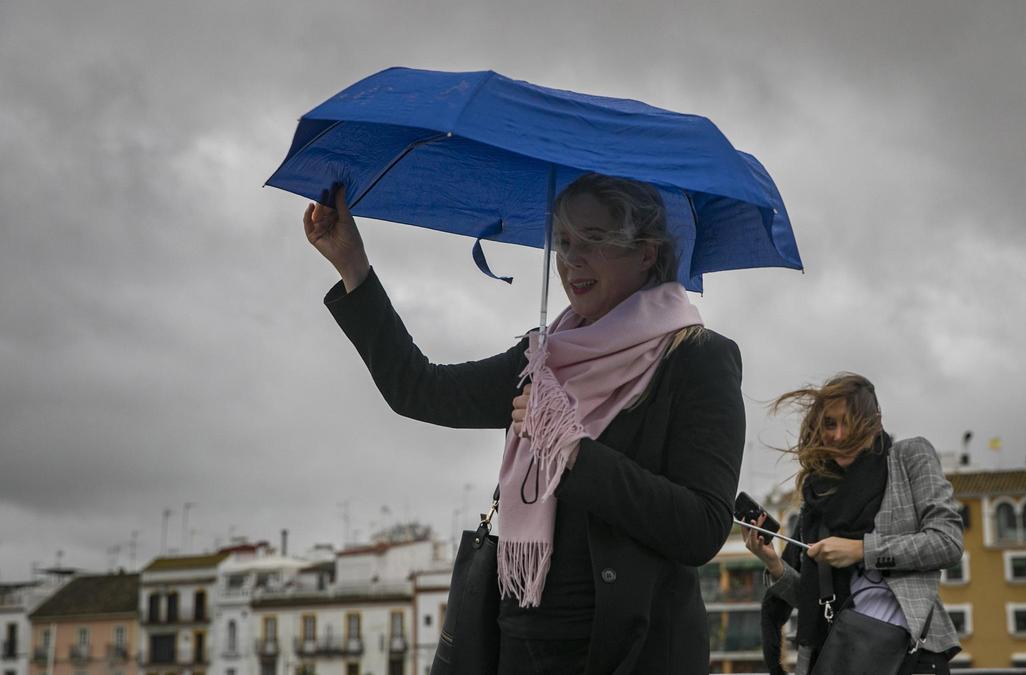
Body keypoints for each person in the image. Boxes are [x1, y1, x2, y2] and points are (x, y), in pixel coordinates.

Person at [303, 173, 746, 674]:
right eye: (562, 242)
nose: (571, 260)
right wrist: (352, 266)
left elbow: (703, 527)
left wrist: (574, 452)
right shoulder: (542, 358)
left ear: (646, 252)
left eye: (594, 241)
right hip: (520, 647)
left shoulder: (696, 358)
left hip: (629, 654)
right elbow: (418, 389)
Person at [742, 373, 963, 675]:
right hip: (839, 656)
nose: (839, 435)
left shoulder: (908, 457)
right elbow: (813, 600)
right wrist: (772, 563)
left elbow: (947, 542)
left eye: (851, 422)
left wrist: (862, 550)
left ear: (875, 420)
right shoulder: (819, 493)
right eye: (830, 424)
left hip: (910, 656)